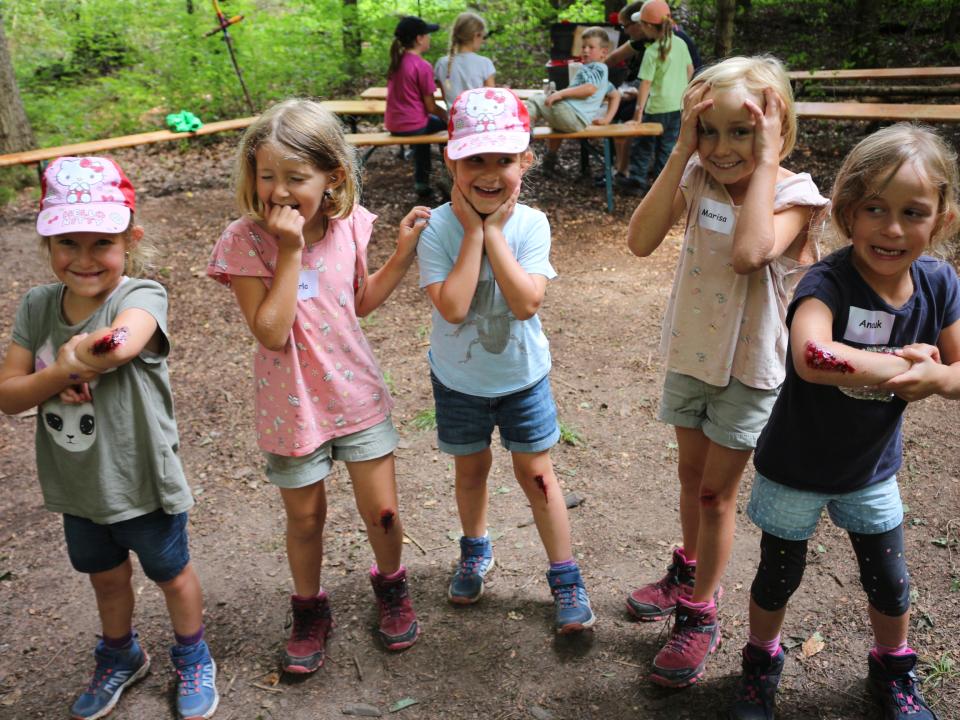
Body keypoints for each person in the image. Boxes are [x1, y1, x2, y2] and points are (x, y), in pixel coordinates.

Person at [729, 123, 960, 720]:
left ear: (942, 219)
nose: (892, 228)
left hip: (871, 471)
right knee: (778, 576)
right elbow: (812, 358)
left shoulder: (940, 284)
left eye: (913, 212)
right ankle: (761, 662)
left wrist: (938, 377)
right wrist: (899, 366)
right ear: (848, 212)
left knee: (889, 579)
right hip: (794, 467)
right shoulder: (826, 281)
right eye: (875, 209)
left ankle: (894, 670)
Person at [625, 56, 829, 688]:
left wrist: (766, 162)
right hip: (693, 353)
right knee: (691, 477)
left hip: (748, 368)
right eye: (709, 130)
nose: (722, 148)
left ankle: (700, 613)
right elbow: (639, 240)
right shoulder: (695, 173)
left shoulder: (794, 196)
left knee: (716, 495)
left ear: (776, 129)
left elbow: (747, 254)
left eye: (741, 132)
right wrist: (681, 148)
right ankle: (688, 569)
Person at [206, 99, 431, 673]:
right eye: (267, 176)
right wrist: (288, 251)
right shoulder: (245, 241)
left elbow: (357, 302)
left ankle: (392, 587)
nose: (279, 191)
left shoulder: (350, 226)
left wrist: (402, 255)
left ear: (332, 177)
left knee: (381, 510)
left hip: (356, 395)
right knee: (305, 518)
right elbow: (271, 332)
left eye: (295, 178)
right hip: (293, 407)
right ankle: (309, 609)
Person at [0, 156, 218, 720]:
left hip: (141, 476)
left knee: (170, 573)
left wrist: (67, 363)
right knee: (105, 576)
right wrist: (56, 377)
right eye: (67, 242)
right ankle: (120, 655)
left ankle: (192, 654)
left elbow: (120, 344)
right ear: (47, 243)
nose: (84, 258)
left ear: (130, 238)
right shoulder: (37, 306)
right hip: (79, 484)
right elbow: (9, 395)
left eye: (102, 241)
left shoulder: (142, 294)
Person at [417, 87, 595, 633]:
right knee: (470, 470)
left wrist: (493, 231)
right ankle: (475, 548)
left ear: (526, 161)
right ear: (452, 160)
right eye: (475, 160)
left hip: (522, 379)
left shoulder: (532, 225)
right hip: (460, 381)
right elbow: (451, 308)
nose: (489, 173)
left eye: (503, 160)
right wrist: (474, 232)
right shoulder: (438, 229)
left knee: (538, 475)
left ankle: (565, 575)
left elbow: (525, 302)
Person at [605, 1, 701, 189]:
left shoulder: (651, 51)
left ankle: (637, 181)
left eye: (640, 24)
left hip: (656, 107)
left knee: (643, 146)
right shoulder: (680, 43)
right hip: (677, 107)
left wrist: (637, 115)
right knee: (667, 147)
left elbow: (645, 85)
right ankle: (663, 184)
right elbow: (690, 71)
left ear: (648, 26)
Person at [523, 26, 613, 172]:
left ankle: (523, 134)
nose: (585, 50)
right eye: (583, 46)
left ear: (604, 52)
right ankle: (550, 159)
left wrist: (560, 94)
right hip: (577, 121)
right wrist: (607, 119)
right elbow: (615, 95)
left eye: (591, 47)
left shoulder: (597, 68)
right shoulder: (600, 73)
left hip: (573, 116)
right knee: (555, 123)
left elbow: (590, 89)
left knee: (535, 99)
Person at [386, 15, 449, 201]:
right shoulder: (422, 66)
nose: (429, 37)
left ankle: (422, 183)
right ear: (419, 39)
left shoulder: (397, 61)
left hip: (394, 124)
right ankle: (449, 176)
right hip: (413, 125)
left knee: (423, 134)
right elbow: (430, 106)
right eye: (427, 34)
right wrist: (448, 116)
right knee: (447, 128)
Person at [434, 11, 496, 106]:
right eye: (483, 36)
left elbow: (444, 97)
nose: (483, 41)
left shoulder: (441, 63)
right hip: (479, 120)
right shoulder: (485, 63)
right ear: (476, 35)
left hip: (452, 120)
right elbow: (491, 100)